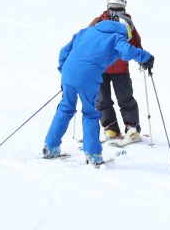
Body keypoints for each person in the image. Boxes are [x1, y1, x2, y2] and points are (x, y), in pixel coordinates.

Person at [42, 16, 154, 165]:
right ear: (127, 30)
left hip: (69, 73)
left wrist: (66, 71)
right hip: (88, 76)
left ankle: (50, 147)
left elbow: (64, 50)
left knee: (65, 108)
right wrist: (146, 57)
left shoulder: (86, 31)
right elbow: (126, 51)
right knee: (90, 112)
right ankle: (94, 155)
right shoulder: (117, 36)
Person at [89, 0, 144, 143]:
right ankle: (111, 128)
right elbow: (87, 40)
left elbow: (136, 44)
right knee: (102, 100)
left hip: (121, 69)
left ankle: (132, 128)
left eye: (119, 8)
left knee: (125, 98)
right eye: (113, 8)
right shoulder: (98, 21)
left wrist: (141, 58)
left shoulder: (127, 24)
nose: (116, 12)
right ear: (107, 7)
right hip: (101, 68)